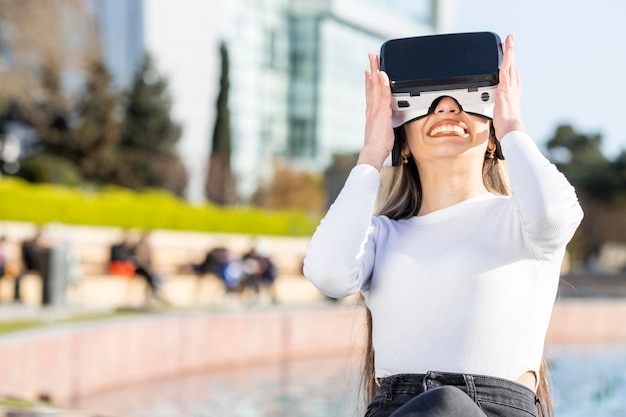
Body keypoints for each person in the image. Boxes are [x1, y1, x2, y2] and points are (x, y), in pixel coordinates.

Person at [303, 34, 583, 417]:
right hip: (397, 407)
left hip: (492, 410)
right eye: (426, 98)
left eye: (466, 97)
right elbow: (329, 273)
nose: (447, 107)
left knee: (448, 406)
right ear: (401, 142)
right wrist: (371, 154)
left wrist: (513, 123)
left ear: (493, 136)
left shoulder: (524, 224)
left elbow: (553, 214)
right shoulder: (381, 237)